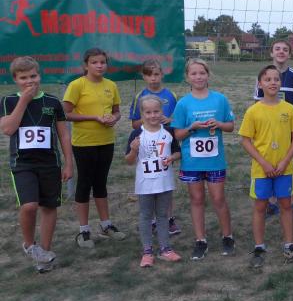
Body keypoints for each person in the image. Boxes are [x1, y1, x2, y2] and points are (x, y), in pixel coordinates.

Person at [1, 57, 72, 272]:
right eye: (23, 78)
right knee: (29, 206)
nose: (29, 81)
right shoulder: (8, 101)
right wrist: (24, 100)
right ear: (15, 79)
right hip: (23, 164)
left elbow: (63, 135)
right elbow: (8, 129)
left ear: (39, 75)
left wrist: (68, 164)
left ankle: (44, 255)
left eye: (33, 76)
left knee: (49, 206)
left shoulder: (52, 102)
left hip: (50, 163)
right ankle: (29, 244)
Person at [240, 65, 293, 268]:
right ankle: (259, 246)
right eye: (268, 79)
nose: (273, 82)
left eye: (276, 79)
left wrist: (285, 161)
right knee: (261, 207)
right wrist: (264, 163)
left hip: (285, 169)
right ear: (260, 84)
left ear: (281, 83)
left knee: (286, 205)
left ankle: (289, 244)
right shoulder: (253, 111)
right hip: (262, 170)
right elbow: (245, 141)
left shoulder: (289, 109)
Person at [172, 58, 236, 260]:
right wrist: (192, 128)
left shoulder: (220, 99)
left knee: (218, 198)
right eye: (194, 73)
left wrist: (219, 124)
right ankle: (200, 240)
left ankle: (228, 236)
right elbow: (178, 134)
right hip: (192, 162)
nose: (198, 77)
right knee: (197, 199)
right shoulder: (183, 104)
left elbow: (231, 126)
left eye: (202, 73)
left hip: (215, 161)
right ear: (187, 77)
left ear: (208, 75)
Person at [63, 48, 126, 247]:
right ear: (86, 65)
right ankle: (83, 231)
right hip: (84, 142)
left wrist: (113, 118)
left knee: (101, 183)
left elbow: (117, 112)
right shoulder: (76, 85)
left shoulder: (111, 85)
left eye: (102, 62)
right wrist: (94, 117)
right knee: (84, 184)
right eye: (94, 62)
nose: (99, 66)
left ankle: (106, 225)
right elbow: (66, 114)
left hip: (106, 141)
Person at [252, 39, 293, 220]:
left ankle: (292, 201)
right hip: (268, 130)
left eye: (285, 49)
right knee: (268, 162)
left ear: (289, 54)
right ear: (271, 53)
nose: (281, 52)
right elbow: (257, 103)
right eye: (277, 49)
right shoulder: (263, 75)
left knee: (292, 165)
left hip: (287, 130)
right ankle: (270, 202)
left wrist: (290, 124)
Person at [124, 96, 182, 267]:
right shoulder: (137, 134)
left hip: (164, 182)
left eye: (156, 111)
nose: (153, 115)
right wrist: (133, 150)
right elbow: (128, 160)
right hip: (145, 183)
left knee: (163, 215)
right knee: (146, 216)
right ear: (142, 114)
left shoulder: (168, 132)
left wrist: (172, 157)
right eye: (148, 112)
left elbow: (178, 152)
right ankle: (147, 251)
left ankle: (165, 249)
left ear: (161, 112)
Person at [129, 59, 181, 235]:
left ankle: (169, 218)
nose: (153, 78)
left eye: (156, 74)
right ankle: (151, 220)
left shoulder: (171, 95)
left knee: (166, 182)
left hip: (166, 142)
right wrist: (151, 120)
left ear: (162, 75)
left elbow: (178, 119)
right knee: (149, 183)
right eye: (149, 75)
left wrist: (169, 120)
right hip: (147, 145)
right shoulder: (140, 96)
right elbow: (134, 123)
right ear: (143, 76)